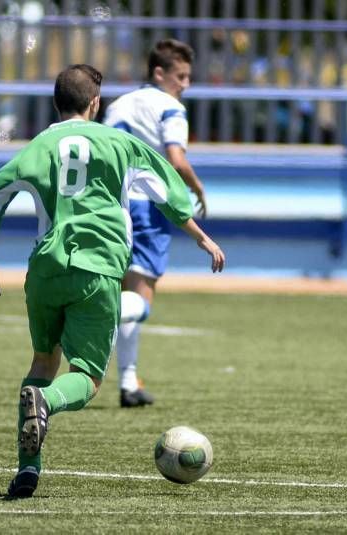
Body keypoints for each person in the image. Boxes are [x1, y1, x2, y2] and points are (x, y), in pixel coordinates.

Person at [0, 64, 225, 498]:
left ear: (56, 103)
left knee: (41, 365)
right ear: (95, 103)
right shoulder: (119, 143)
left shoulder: (38, 146)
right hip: (98, 268)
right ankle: (47, 404)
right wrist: (201, 236)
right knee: (86, 377)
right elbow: (168, 190)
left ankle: (28, 470)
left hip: (46, 269)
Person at [103, 39, 207, 408]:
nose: (186, 85)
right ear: (159, 73)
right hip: (147, 204)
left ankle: (127, 381)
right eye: (181, 76)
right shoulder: (170, 107)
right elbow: (176, 159)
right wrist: (196, 187)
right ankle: (96, 321)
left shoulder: (117, 105)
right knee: (140, 296)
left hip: (109, 204)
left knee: (124, 286)